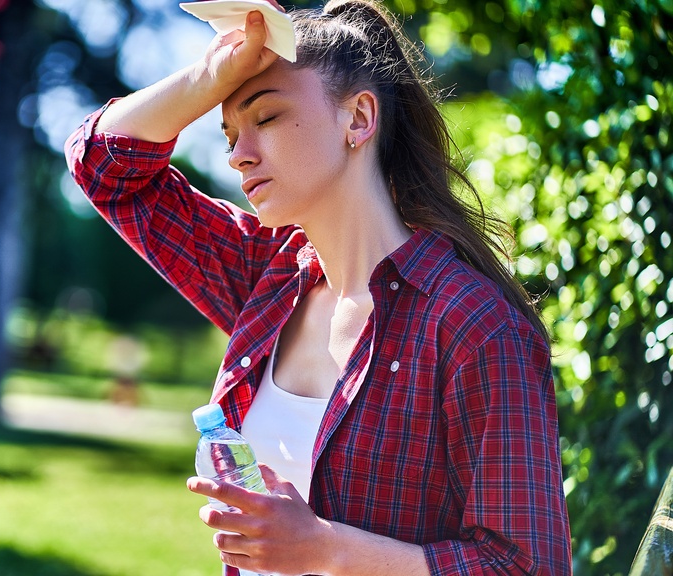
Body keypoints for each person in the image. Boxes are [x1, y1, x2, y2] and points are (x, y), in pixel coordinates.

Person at [64, 0, 572, 574]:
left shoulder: (472, 324)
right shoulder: (269, 280)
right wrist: (212, 77)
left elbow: (528, 565)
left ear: (358, 119)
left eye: (268, 117)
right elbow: (103, 168)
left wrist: (325, 548)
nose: (237, 155)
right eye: (229, 132)